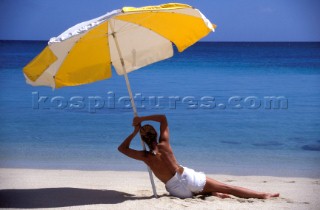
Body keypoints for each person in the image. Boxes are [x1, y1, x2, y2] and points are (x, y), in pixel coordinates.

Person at [118, 114, 280, 199]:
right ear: (155, 134)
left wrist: (133, 132)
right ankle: (262, 195)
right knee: (227, 187)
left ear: (143, 140)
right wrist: (142, 119)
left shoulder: (145, 157)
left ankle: (210, 194)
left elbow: (122, 148)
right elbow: (163, 118)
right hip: (189, 179)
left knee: (197, 191)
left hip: (177, 192)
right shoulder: (164, 144)